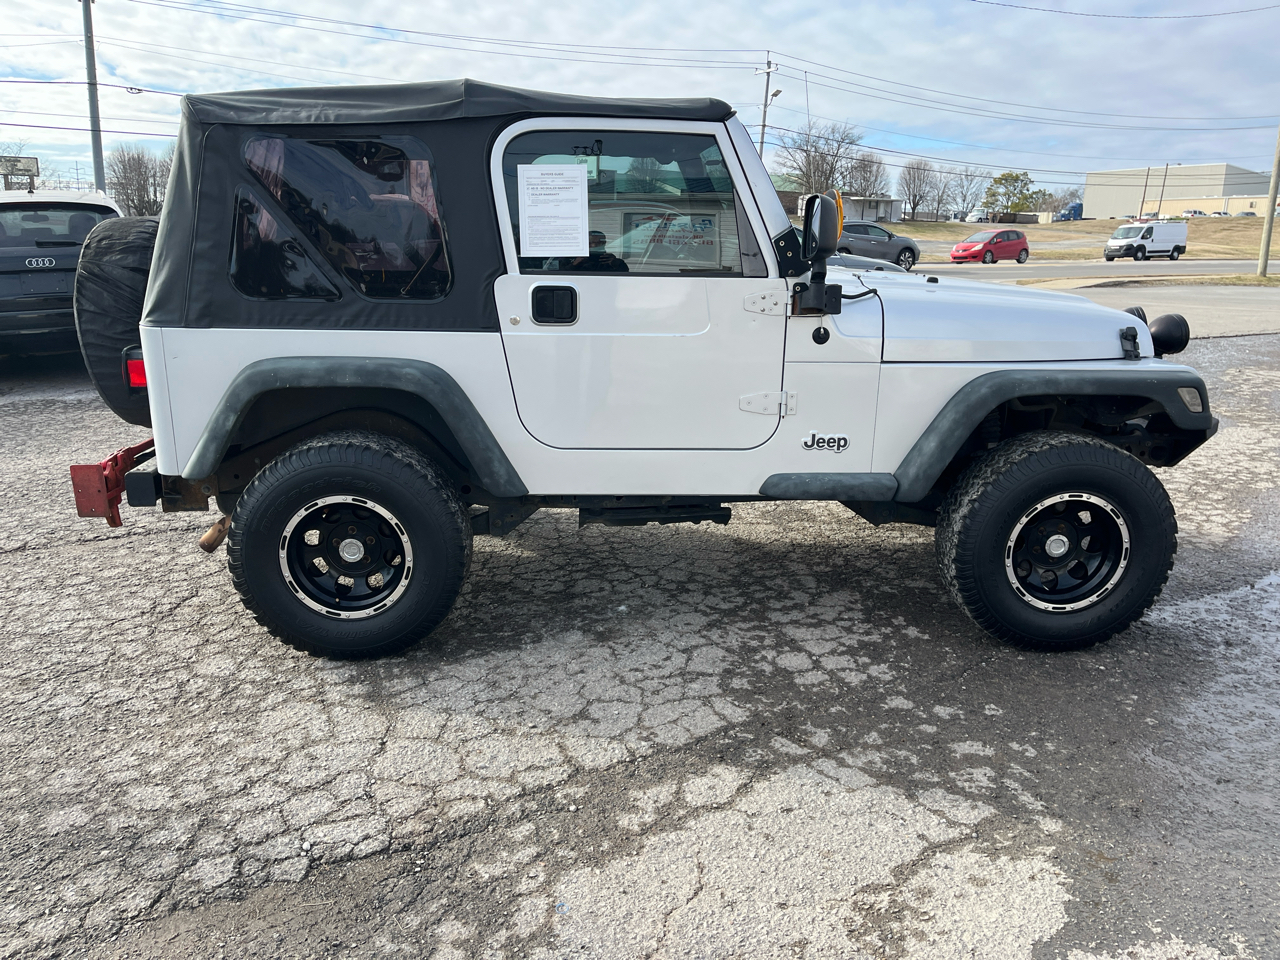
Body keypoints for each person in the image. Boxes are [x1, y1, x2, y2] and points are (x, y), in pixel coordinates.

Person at [563, 230, 629, 272]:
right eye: (588, 242)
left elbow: (624, 276)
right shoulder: (572, 259)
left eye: (599, 242)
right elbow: (561, 275)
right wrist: (575, 264)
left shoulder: (608, 260)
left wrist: (616, 263)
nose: (593, 246)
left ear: (604, 243)